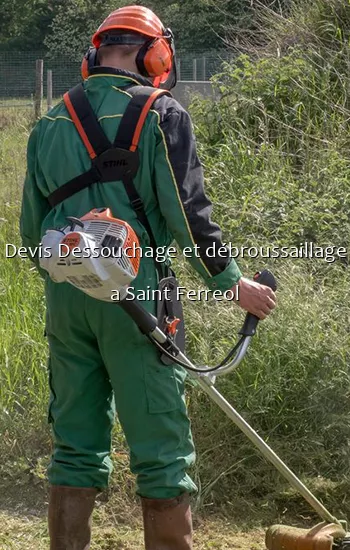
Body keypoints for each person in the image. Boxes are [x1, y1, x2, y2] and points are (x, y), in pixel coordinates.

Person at [20, 5, 276, 550]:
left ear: (97, 52)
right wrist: (235, 284)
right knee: (161, 450)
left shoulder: (49, 121)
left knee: (74, 445)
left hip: (68, 299)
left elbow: (30, 230)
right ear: (155, 53)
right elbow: (188, 215)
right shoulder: (162, 112)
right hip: (140, 297)